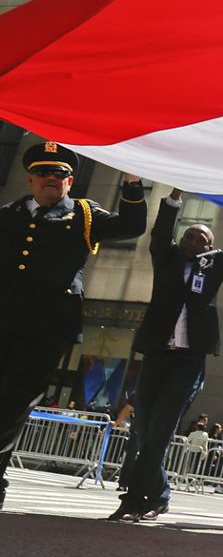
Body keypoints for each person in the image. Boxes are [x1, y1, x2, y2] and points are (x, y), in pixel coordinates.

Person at [0, 143, 147, 509]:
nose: (53, 179)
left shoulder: (83, 215)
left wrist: (131, 181)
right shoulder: (9, 214)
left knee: (13, 404)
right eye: (45, 173)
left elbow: (131, 225)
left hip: (46, 329)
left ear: (70, 182)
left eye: (61, 174)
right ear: (30, 178)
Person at [109, 186, 223, 522]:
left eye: (200, 237)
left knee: (160, 430)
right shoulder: (166, 257)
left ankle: (133, 499)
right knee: (144, 429)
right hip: (157, 355)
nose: (191, 240)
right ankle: (159, 494)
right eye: (188, 235)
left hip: (189, 362)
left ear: (209, 247)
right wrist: (175, 196)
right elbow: (162, 232)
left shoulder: (215, 267)